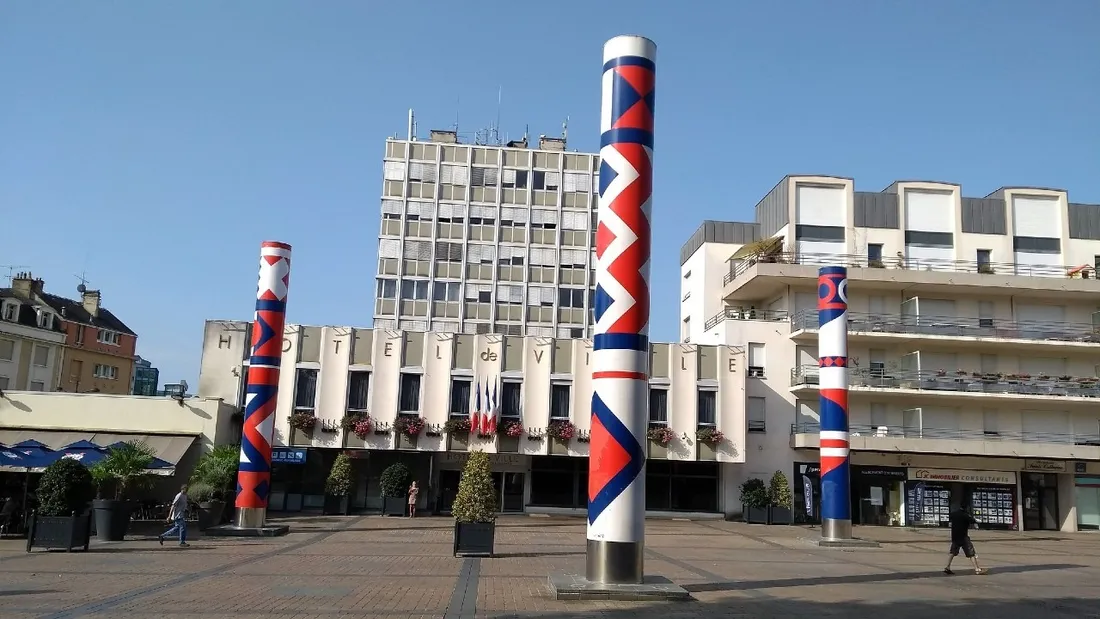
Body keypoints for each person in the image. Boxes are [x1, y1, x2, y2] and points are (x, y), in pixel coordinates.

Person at [944, 502, 987, 575]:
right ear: (967, 508)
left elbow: (950, 519)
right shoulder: (965, 515)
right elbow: (973, 521)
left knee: (953, 552)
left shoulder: (954, 514)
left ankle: (947, 567)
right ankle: (977, 569)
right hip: (963, 537)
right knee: (971, 553)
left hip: (955, 536)